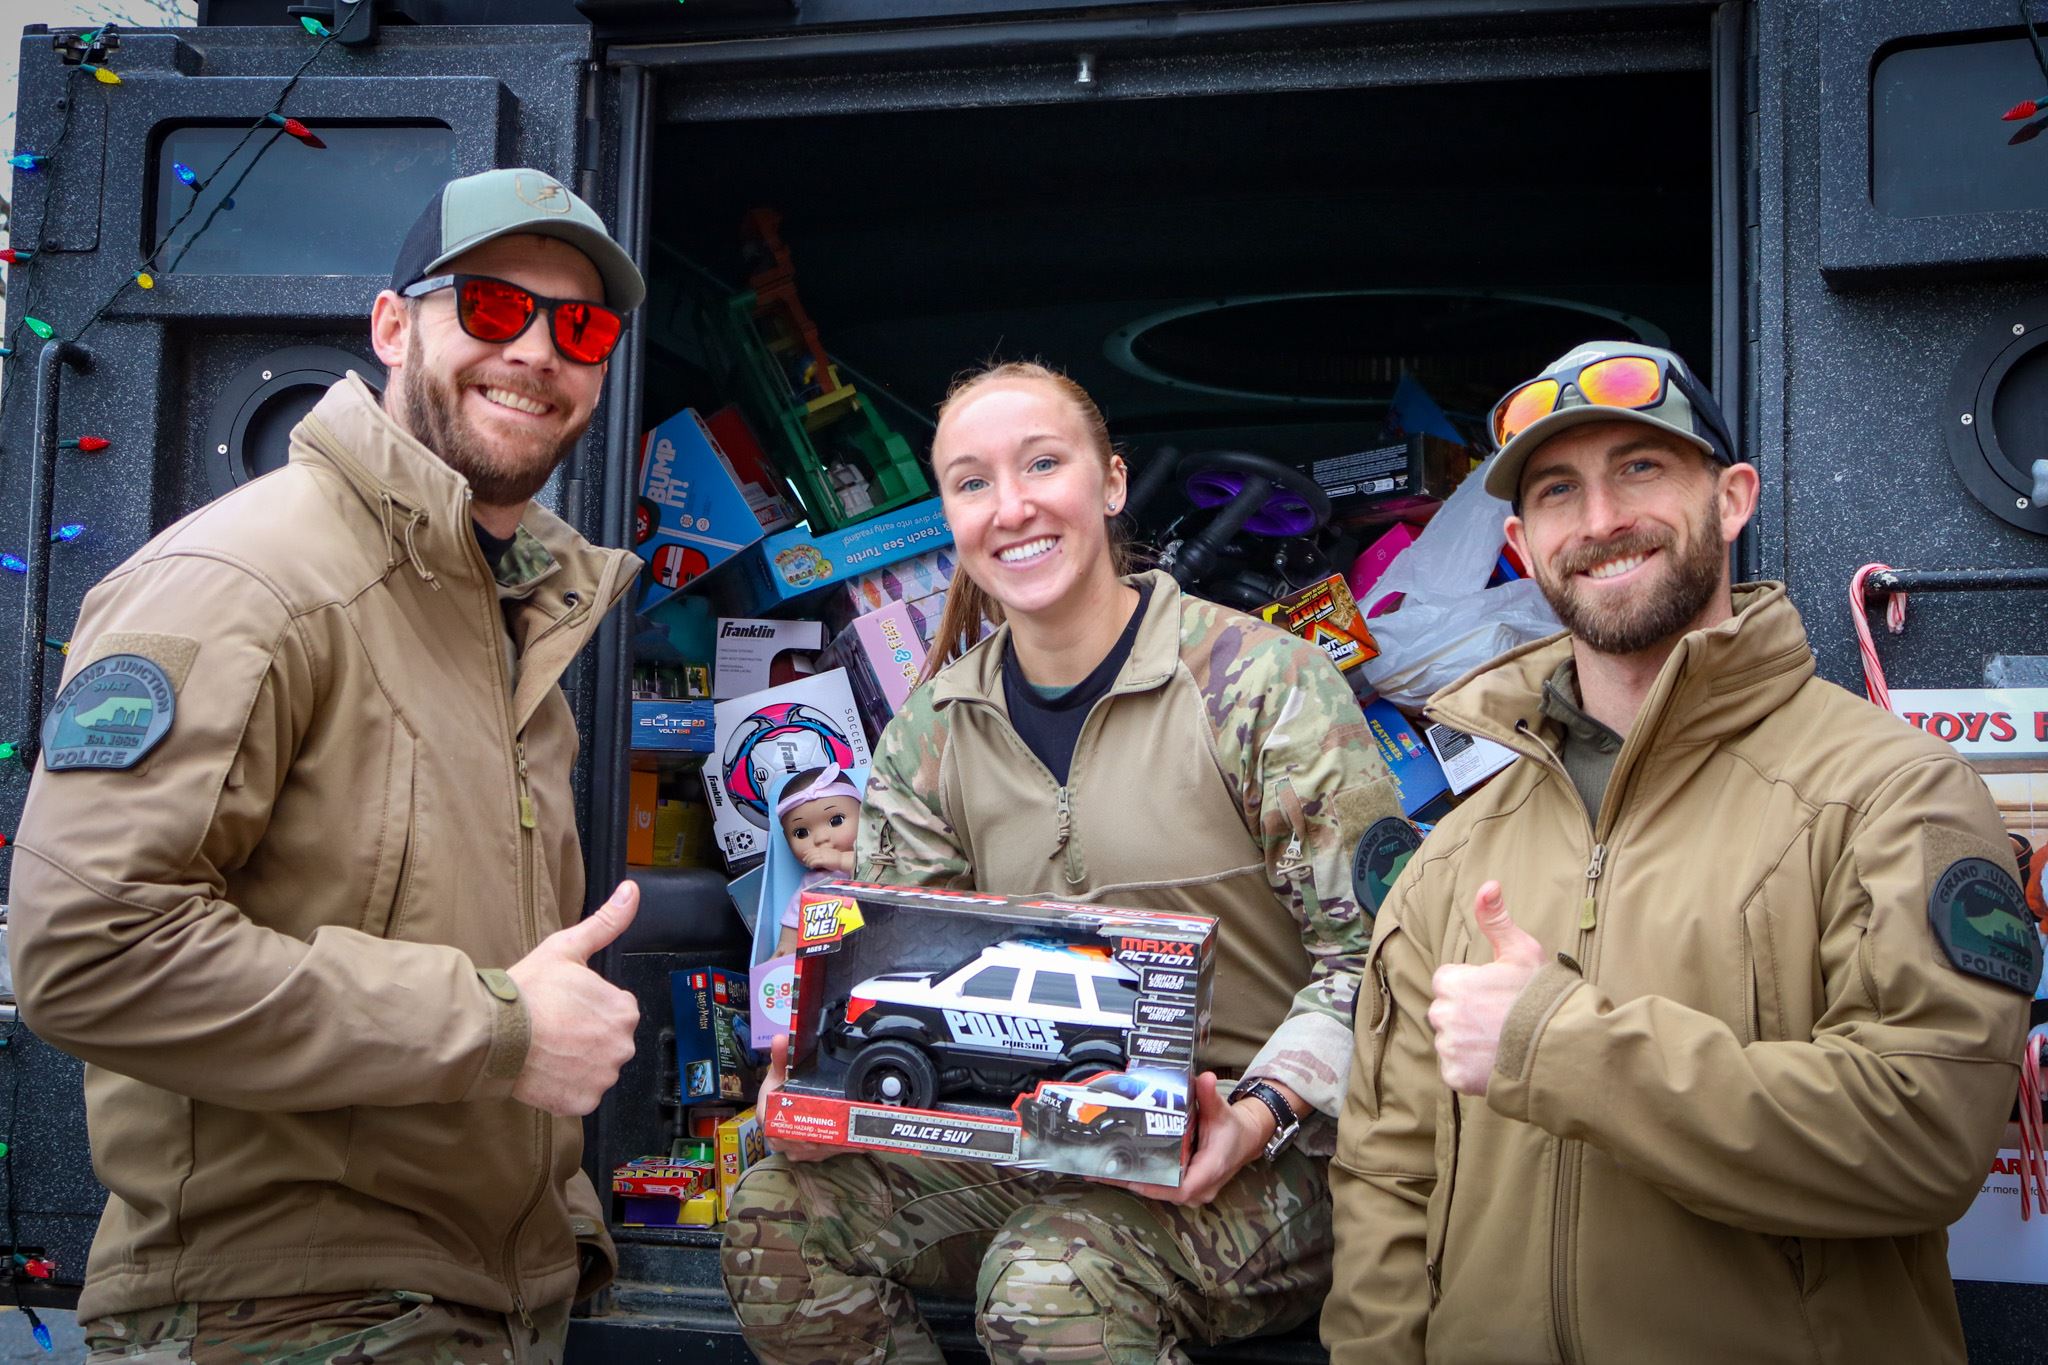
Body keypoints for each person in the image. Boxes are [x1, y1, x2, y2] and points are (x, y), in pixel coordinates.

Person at [9, 168, 649, 1365]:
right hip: (284, 1312)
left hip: (482, 1305)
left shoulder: (513, 622)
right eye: (495, 308)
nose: (539, 352)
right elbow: (85, 954)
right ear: (393, 325)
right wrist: (498, 1025)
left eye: (583, 326)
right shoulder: (248, 580)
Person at [1323, 342, 2039, 1364]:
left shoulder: (1891, 794)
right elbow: (1386, 1177)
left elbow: (1924, 1141)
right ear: (1522, 548)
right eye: (1559, 491)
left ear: (1731, 498)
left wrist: (1556, 1046)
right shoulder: (1458, 850)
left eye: (1641, 468)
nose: (1601, 519)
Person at [721, 359, 1404, 1363]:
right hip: (1033, 1134)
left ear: (1111, 484)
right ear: (947, 515)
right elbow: (902, 969)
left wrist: (1256, 1113)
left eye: (1042, 463)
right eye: (971, 481)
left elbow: (1380, 961)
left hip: (1271, 1157)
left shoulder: (1258, 684)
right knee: (775, 1210)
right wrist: (830, 1078)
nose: (1012, 507)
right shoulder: (930, 733)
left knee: (1052, 1278)